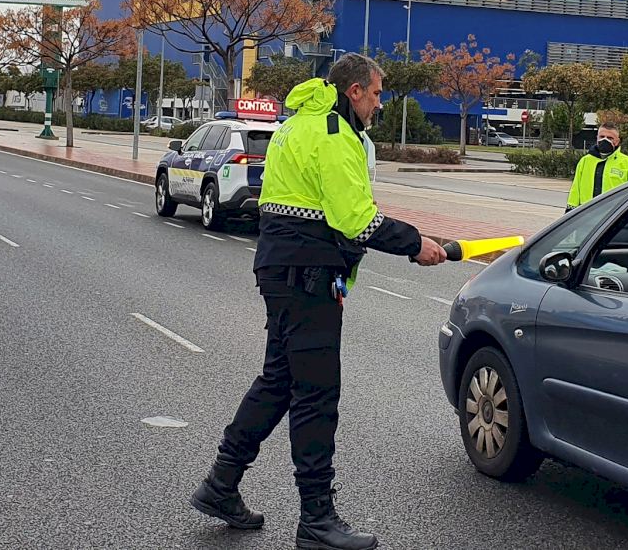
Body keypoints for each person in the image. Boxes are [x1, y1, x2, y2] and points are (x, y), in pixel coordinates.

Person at [189, 53, 447, 550]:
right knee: (316, 395)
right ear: (354, 91)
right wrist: (416, 244)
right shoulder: (334, 134)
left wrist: (340, 274)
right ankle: (316, 518)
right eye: (376, 94)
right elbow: (356, 219)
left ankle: (221, 483)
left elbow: (312, 209)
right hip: (306, 275)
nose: (379, 104)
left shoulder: (297, 125)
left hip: (285, 268)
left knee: (279, 382)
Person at [565, 121, 628, 242]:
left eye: (610, 138)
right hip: (587, 226)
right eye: (602, 136)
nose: (605, 140)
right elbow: (575, 193)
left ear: (617, 141)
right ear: (597, 138)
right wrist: (567, 223)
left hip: (619, 226)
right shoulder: (585, 162)